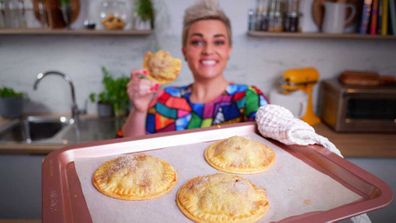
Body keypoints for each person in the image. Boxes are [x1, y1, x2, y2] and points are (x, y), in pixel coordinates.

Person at [121, 0, 269, 138]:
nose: (208, 50)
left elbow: (270, 147)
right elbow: (128, 154)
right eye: (197, 42)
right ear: (184, 51)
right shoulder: (164, 99)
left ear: (229, 50)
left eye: (218, 42)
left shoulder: (249, 98)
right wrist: (139, 109)